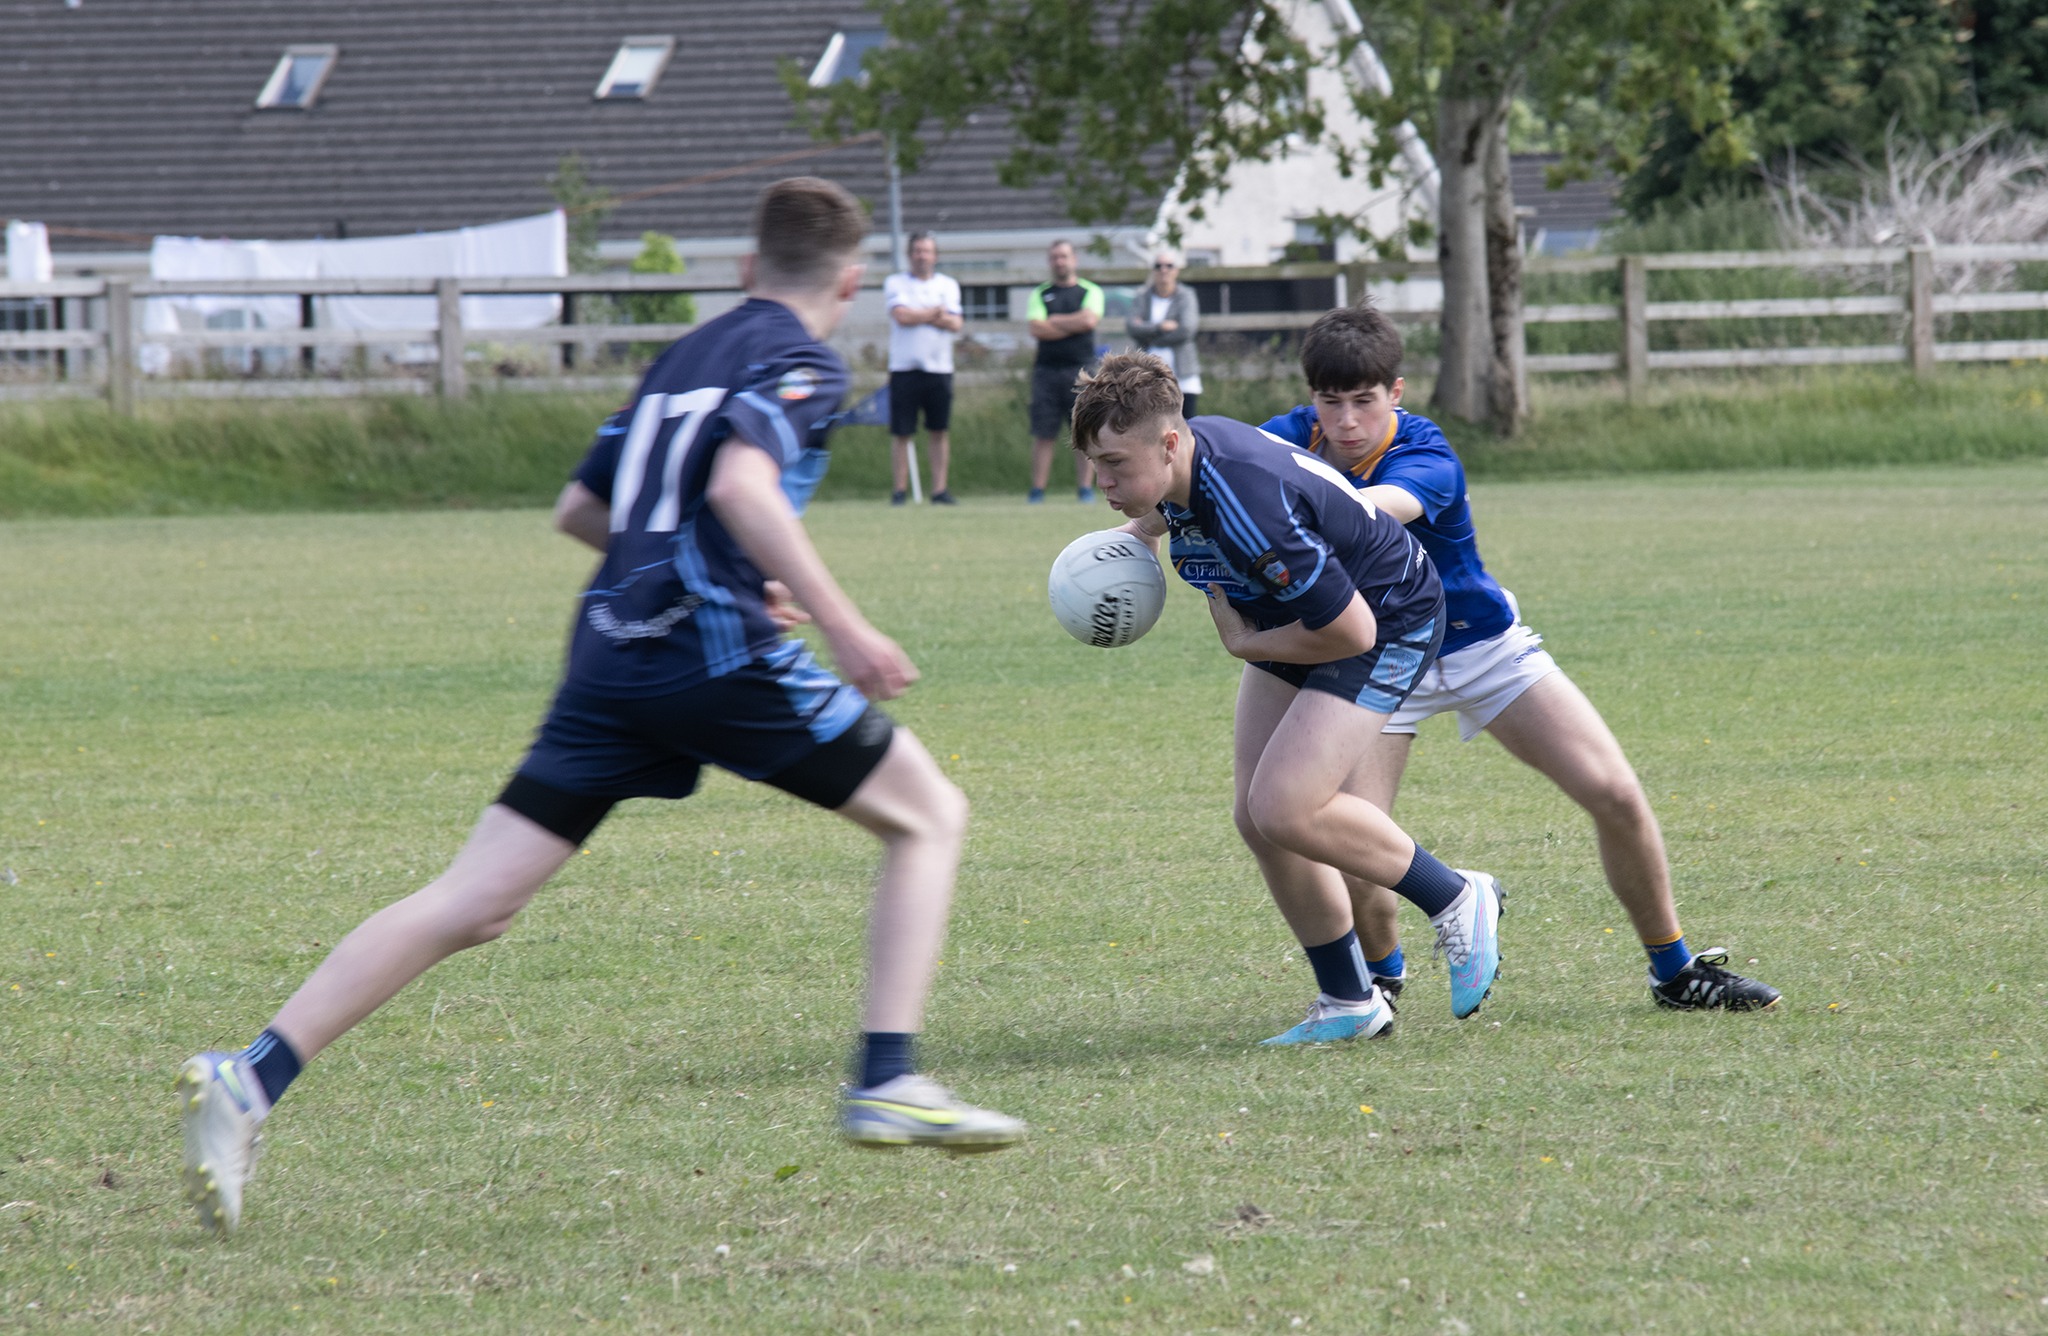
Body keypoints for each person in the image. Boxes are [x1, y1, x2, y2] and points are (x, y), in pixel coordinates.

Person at [175, 178, 1023, 1238]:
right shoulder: (800, 360)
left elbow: (582, 507)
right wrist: (844, 626)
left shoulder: (682, 356)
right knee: (928, 814)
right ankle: (887, 1077)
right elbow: (741, 488)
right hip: (710, 652)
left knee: (475, 900)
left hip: (610, 658)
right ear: (850, 284)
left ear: (747, 268)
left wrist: (710, 565)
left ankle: (251, 1075)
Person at [1248, 304, 1780, 1012]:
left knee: (1615, 792)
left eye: (1365, 401)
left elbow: (1375, 510)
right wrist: (1143, 525)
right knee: (1351, 837)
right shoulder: (1289, 438)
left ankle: (1675, 970)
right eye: (1330, 401)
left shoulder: (1427, 452)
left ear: (1396, 393)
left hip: (1479, 645)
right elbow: (1207, 469)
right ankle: (1383, 982)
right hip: (1379, 660)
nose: (1347, 421)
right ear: (1311, 397)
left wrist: (1271, 503)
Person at [1073, 352, 1504, 1045]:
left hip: (1384, 618)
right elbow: (1171, 514)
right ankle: (1349, 1000)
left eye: (1114, 464)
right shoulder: (1183, 463)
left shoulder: (1249, 507)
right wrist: (1131, 543)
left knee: (1285, 804)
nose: (1103, 481)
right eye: (1095, 464)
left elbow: (1352, 631)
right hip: (1293, 617)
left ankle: (1455, 895)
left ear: (1170, 443)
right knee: (1257, 816)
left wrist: (1249, 645)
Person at [883, 230, 963, 505]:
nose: (922, 256)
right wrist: (935, 312)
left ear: (934, 255)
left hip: (939, 368)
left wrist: (920, 313)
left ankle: (939, 490)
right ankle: (899, 490)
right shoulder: (896, 283)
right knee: (902, 432)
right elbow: (901, 316)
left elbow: (955, 323)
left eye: (926, 251)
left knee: (938, 429)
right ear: (909, 255)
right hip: (904, 368)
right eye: (917, 251)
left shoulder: (948, 285)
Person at [1025, 239, 1105, 504]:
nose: (1060, 261)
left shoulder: (1090, 291)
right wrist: (1073, 324)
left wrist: (1055, 321)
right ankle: (1037, 490)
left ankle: (1085, 489)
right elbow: (1036, 328)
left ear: (1074, 259)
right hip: (1046, 371)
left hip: (1082, 371)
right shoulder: (1040, 294)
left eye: (1064, 256)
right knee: (1043, 432)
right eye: (1055, 257)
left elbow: (1089, 320)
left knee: (1083, 430)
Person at [1124, 249, 1202, 416]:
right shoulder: (1142, 296)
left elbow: (1187, 329)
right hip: (1147, 376)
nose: (1163, 270)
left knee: (1186, 423)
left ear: (1176, 270)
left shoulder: (1186, 295)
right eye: (1158, 266)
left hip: (1182, 374)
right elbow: (1132, 327)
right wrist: (1160, 327)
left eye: (1169, 265)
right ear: (1153, 270)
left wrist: (1151, 336)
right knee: (1150, 422)